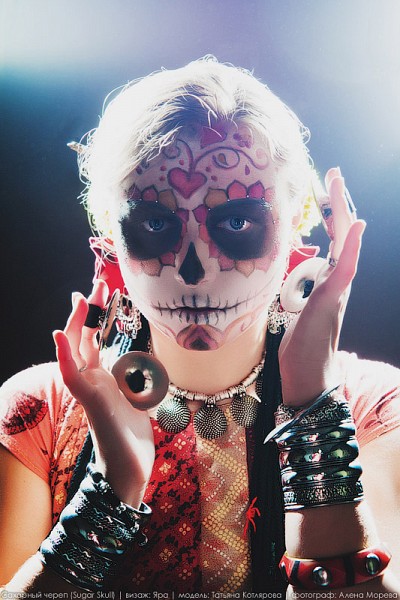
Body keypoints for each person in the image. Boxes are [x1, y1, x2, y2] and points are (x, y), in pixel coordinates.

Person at [1, 56, 400, 595]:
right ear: (110, 242)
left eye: (237, 221)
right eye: (156, 222)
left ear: (296, 231)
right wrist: (109, 495)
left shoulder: (374, 406)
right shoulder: (41, 411)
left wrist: (316, 414)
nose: (194, 270)